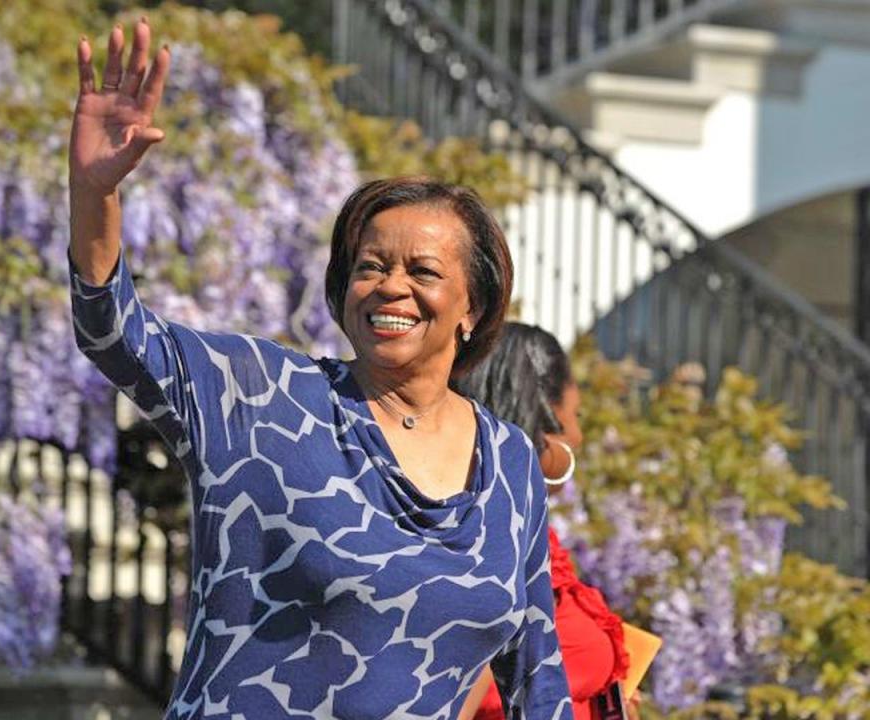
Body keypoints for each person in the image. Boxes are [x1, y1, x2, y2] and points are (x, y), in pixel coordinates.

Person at [68, 19, 573, 720]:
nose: (391, 286)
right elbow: (114, 334)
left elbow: (537, 674)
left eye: (422, 270)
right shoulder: (259, 395)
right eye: (371, 266)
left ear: (474, 306)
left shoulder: (511, 459)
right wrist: (96, 194)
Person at [454, 323, 639, 720]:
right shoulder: (487, 548)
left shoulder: (528, 538)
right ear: (544, 423)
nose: (579, 435)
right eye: (574, 415)